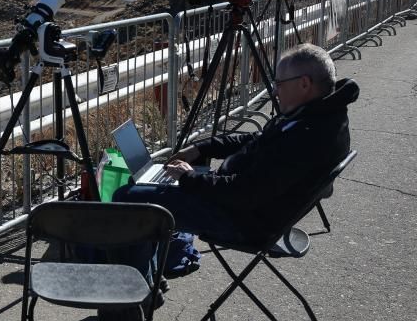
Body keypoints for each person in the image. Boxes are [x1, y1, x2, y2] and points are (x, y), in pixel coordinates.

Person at [114, 43, 359, 244]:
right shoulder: (320, 114)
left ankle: (130, 296)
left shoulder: (308, 136)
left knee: (129, 197)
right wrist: (203, 148)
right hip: (249, 204)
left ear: (304, 83)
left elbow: (243, 193)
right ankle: (148, 276)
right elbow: (260, 140)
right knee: (157, 188)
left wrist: (189, 179)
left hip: (244, 221)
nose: (275, 91)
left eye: (280, 84)